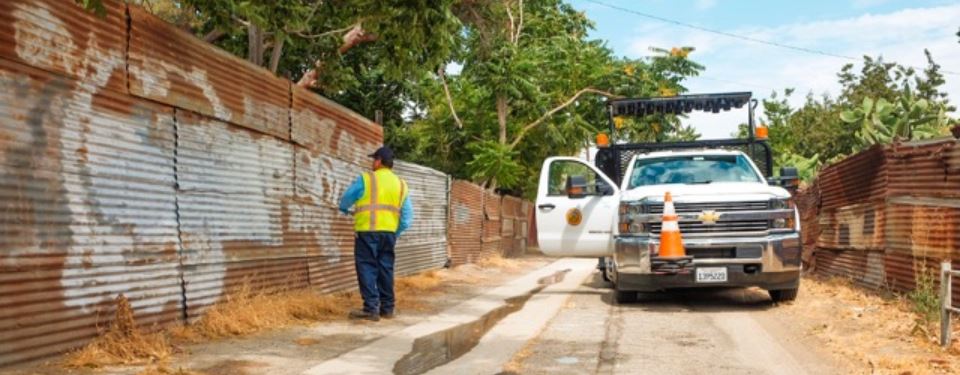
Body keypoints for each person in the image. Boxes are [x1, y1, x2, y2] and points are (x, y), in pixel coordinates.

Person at [338, 146, 414, 321]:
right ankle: (387, 309)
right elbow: (408, 217)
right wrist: (396, 232)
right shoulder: (401, 184)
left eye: (374, 159)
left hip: (367, 232)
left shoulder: (367, 179)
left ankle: (371, 308)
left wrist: (343, 208)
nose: (372, 162)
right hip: (389, 234)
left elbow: (347, 197)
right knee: (385, 269)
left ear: (379, 161)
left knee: (366, 267)